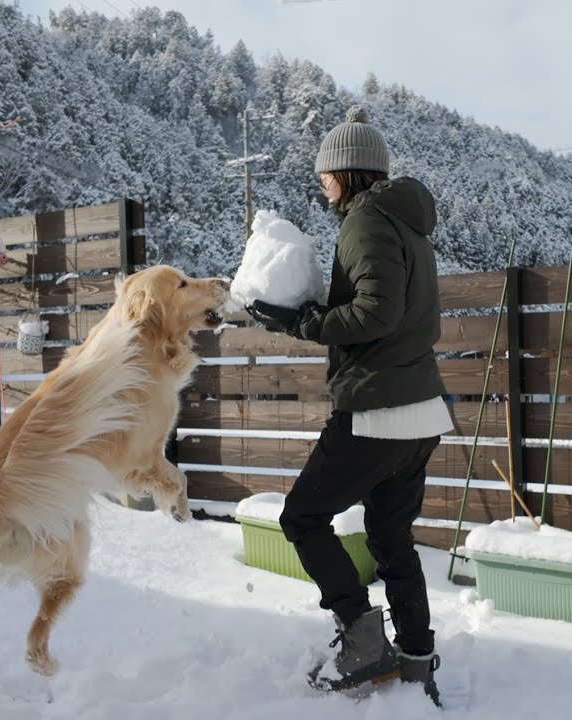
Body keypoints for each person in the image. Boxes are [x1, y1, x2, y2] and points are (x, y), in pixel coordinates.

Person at [246, 105, 450, 706]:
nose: (322, 186)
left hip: (378, 409)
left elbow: (374, 313)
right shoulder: (408, 223)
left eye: (325, 176)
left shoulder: (365, 219)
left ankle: (363, 642)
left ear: (347, 172)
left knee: (302, 518)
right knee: (391, 537)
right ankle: (416, 660)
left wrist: (302, 322)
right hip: (420, 410)